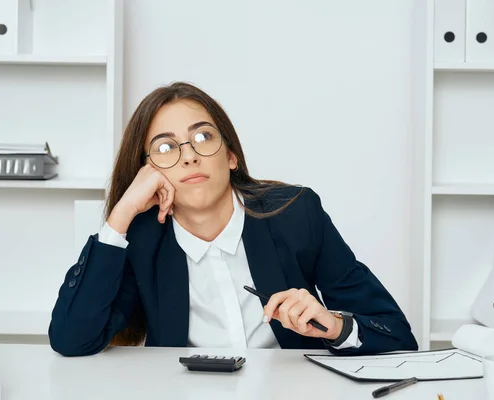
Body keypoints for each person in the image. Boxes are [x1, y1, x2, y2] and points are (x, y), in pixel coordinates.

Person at [48, 82, 418, 357]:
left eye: (203, 137)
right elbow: (72, 339)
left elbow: (397, 335)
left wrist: (334, 325)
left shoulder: (296, 213)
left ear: (231, 156)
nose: (189, 157)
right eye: (166, 148)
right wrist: (121, 214)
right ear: (147, 172)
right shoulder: (142, 238)